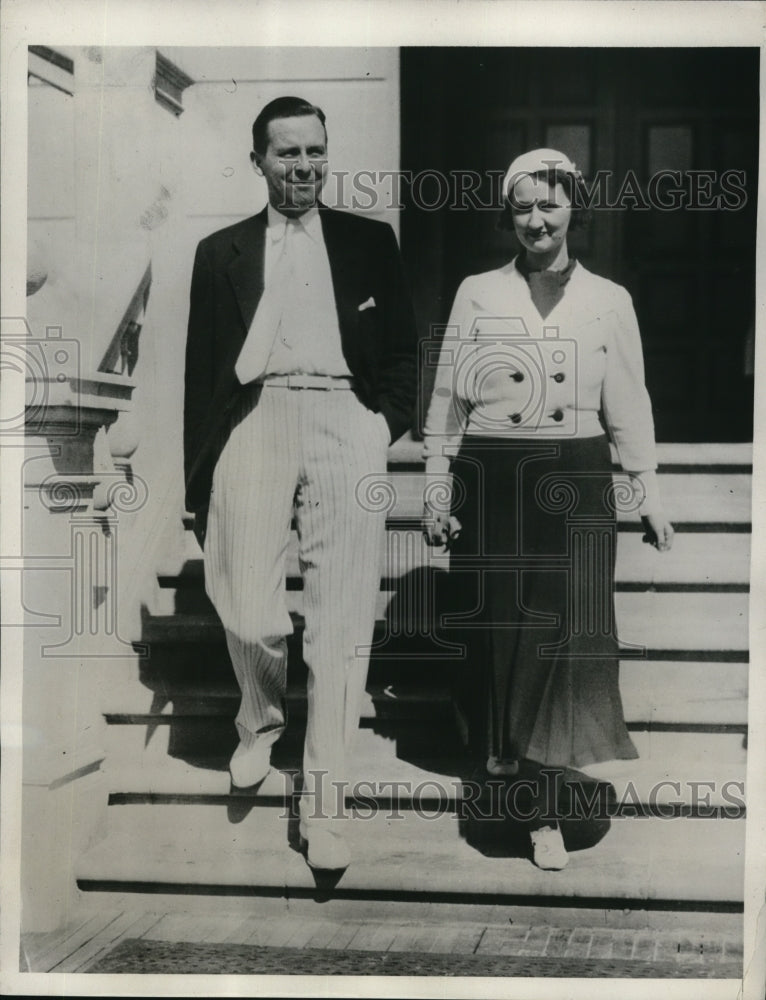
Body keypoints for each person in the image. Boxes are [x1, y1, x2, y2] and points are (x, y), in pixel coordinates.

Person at [422, 148, 674, 871]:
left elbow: (629, 401)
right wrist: (437, 486)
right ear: (509, 214)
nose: (537, 219)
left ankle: (547, 805)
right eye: (524, 206)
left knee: (566, 638)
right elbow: (448, 399)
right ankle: (520, 789)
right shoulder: (477, 292)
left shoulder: (609, 299)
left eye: (551, 204)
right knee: (507, 633)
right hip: (495, 473)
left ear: (573, 209)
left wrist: (647, 490)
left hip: (580, 476)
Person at [184, 96, 417, 871]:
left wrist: (378, 427)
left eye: (315, 152)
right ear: (258, 161)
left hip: (344, 417)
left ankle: (326, 806)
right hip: (255, 417)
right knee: (246, 602)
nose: (304, 168)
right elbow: (199, 376)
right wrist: (197, 478)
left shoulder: (368, 241)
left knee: (342, 621)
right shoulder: (220, 252)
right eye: (287, 155)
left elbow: (405, 351)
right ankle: (260, 719)